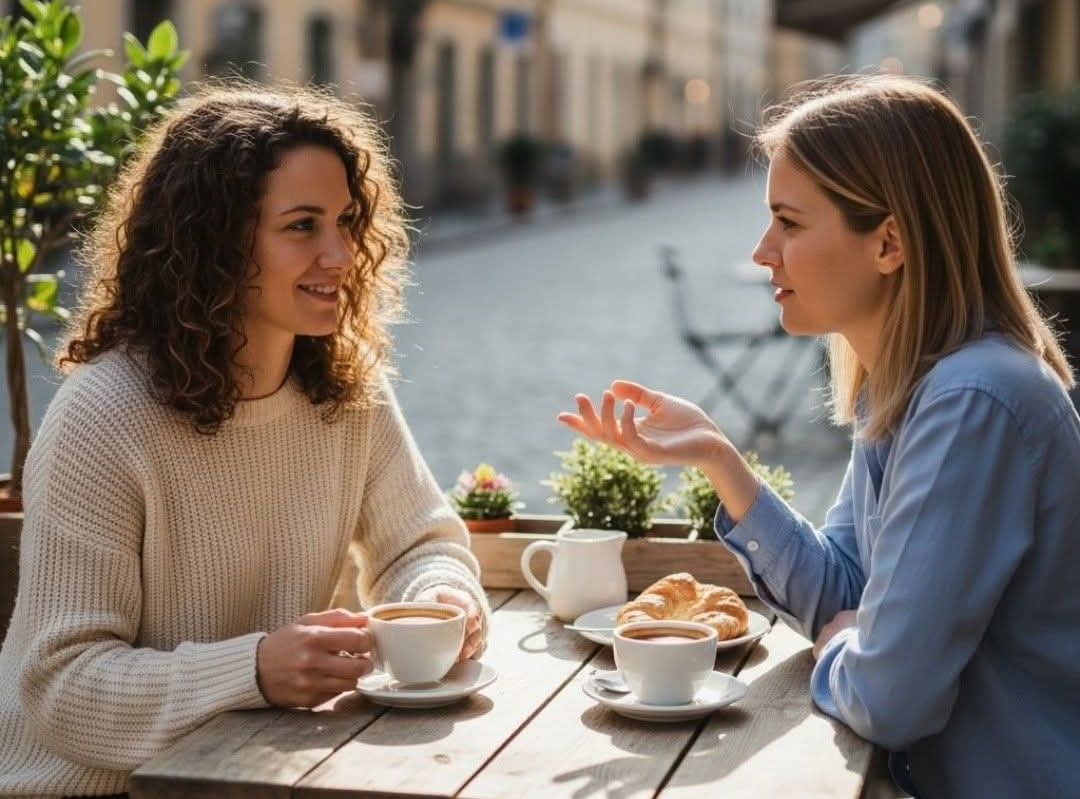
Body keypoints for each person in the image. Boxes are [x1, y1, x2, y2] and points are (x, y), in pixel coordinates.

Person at [559, 76, 1080, 799]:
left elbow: (891, 697)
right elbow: (845, 586)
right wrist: (718, 455)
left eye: (789, 222)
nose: (762, 250)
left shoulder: (975, 401)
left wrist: (843, 644)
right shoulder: (911, 385)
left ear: (889, 242)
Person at [0, 85, 488, 796]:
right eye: (302, 226)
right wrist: (253, 669)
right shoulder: (101, 415)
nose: (341, 254)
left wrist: (445, 599)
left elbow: (422, 542)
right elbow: (61, 687)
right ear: (215, 242)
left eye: (347, 221)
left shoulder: (347, 388)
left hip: (254, 770)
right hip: (88, 787)